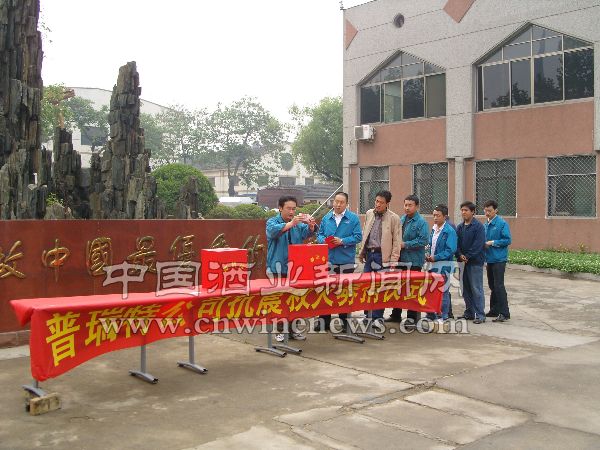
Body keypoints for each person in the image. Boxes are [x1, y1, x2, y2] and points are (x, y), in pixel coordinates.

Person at [266, 195, 317, 339]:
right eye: (288, 208)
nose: (291, 211)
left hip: (295, 268)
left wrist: (311, 225)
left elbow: (307, 233)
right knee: (280, 301)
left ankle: (293, 330)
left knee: (295, 300)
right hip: (277, 268)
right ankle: (280, 331)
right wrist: (291, 223)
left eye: (294, 209)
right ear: (280, 208)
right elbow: (273, 232)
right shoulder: (272, 222)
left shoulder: (297, 224)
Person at [315, 191, 362, 331]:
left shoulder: (353, 218)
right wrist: (324, 241)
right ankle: (323, 321)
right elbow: (319, 235)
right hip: (328, 260)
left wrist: (342, 241)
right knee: (326, 291)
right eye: (336, 201)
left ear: (346, 204)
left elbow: (358, 237)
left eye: (341, 202)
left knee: (344, 292)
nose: (338, 204)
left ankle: (344, 322)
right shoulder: (327, 218)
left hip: (346, 261)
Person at [358, 190, 401, 321]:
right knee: (366, 285)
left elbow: (397, 241)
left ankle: (377, 317)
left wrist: (393, 261)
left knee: (380, 288)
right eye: (377, 201)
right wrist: (362, 251)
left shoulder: (394, 218)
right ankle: (367, 315)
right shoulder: (369, 213)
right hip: (369, 255)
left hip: (382, 257)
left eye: (381, 202)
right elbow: (365, 232)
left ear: (387, 204)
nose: (378, 204)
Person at [386, 194, 429, 326]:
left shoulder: (421, 222)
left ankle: (412, 318)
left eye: (410, 205)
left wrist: (406, 244)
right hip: (401, 259)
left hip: (414, 261)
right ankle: (396, 314)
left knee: (412, 290)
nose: (407, 208)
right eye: (405, 205)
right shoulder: (402, 219)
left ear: (417, 206)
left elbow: (423, 240)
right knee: (398, 288)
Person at [424, 204, 457, 321]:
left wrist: (436, 257)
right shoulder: (434, 229)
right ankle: (431, 313)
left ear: (445, 216)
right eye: (434, 215)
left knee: (443, 291)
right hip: (432, 265)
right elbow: (430, 244)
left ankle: (443, 315)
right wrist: (427, 254)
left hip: (443, 265)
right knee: (431, 290)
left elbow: (450, 250)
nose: (435, 218)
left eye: (438, 215)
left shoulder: (449, 231)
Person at [456, 201, 486, 324]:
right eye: (462, 210)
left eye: (466, 210)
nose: (463, 212)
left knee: (476, 289)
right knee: (465, 289)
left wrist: (467, 256)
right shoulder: (460, 227)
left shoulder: (478, 227)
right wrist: (459, 255)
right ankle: (469, 312)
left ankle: (480, 315)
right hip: (462, 262)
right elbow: (456, 244)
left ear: (473, 212)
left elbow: (478, 245)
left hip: (475, 263)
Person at [483, 199, 512, 322]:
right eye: (485, 211)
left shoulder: (501, 223)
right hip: (489, 259)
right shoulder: (486, 224)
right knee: (492, 285)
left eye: (489, 211)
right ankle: (494, 310)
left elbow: (507, 240)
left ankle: (504, 312)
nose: (487, 213)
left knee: (499, 285)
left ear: (496, 210)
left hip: (499, 259)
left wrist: (492, 242)